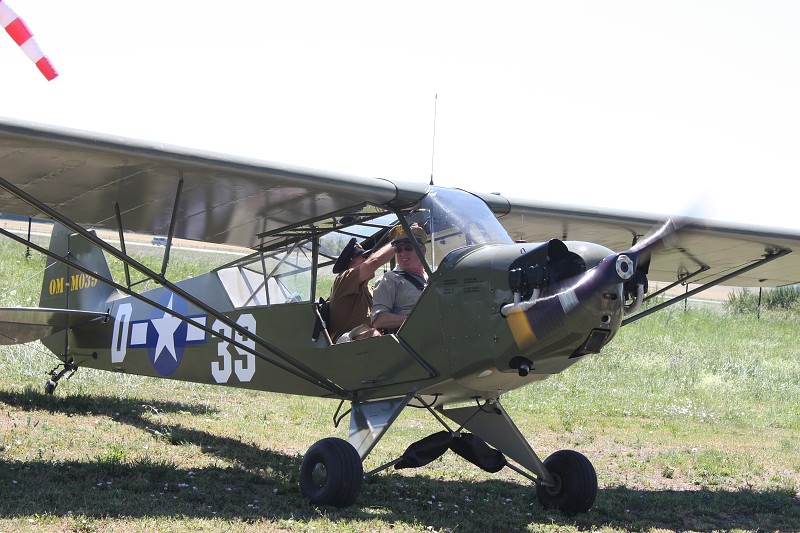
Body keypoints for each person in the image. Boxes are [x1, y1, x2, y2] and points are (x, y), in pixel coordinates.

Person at [328, 236, 394, 342]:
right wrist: (398, 242)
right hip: (345, 348)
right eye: (363, 258)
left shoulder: (370, 290)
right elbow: (373, 262)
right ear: (351, 267)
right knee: (373, 334)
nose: (367, 260)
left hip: (369, 346)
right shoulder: (343, 280)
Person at [371, 224, 428, 333]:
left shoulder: (431, 278)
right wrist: (414, 320)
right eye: (398, 249)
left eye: (408, 248)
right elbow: (378, 319)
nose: (402, 253)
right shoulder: (390, 279)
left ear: (423, 249)